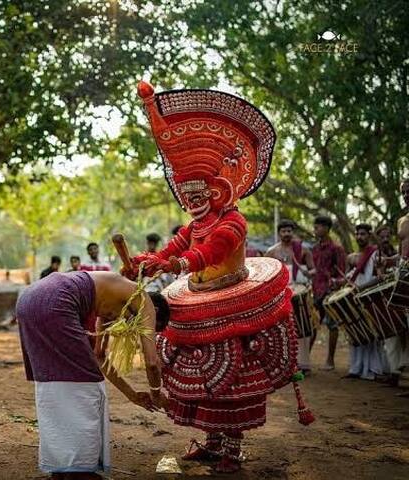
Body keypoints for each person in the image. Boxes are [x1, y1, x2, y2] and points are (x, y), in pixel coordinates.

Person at [128, 81, 310, 473]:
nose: (191, 202)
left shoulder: (233, 222)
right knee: (196, 372)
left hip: (233, 299)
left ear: (216, 191)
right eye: (186, 196)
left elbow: (208, 253)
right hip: (197, 297)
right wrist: (150, 261)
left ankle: (232, 447)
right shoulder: (193, 224)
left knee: (234, 376)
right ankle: (211, 442)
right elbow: (175, 247)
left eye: (198, 195)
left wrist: (173, 266)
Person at [17, 270, 167, 479]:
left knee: (54, 380)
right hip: (57, 300)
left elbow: (98, 357)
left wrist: (132, 394)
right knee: (86, 387)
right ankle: (79, 470)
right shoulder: (142, 300)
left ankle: (62, 467)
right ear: (155, 311)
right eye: (152, 327)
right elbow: (152, 362)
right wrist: (157, 393)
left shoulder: (107, 299)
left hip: (29, 299)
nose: (137, 330)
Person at [265, 219, 316, 373]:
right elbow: (267, 275)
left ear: (293, 233)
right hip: (280, 295)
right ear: (279, 233)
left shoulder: (303, 250)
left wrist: (308, 272)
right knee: (282, 330)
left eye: (289, 231)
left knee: (302, 328)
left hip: (298, 294)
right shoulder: (271, 252)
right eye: (284, 231)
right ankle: (282, 364)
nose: (287, 234)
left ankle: (303, 364)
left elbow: (313, 270)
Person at [344, 224, 386, 380]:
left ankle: (373, 369)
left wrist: (360, 288)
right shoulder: (352, 256)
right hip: (355, 298)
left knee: (371, 333)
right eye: (357, 234)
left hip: (369, 298)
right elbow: (347, 278)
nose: (359, 237)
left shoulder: (375, 254)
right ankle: (356, 368)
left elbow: (378, 278)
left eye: (362, 234)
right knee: (356, 331)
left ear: (369, 235)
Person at [382, 179, 409, 390]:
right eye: (403, 192)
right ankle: (397, 371)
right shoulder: (402, 220)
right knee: (399, 324)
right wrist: (391, 263)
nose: (406, 195)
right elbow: (403, 251)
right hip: (403, 274)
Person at [310, 215, 346, 371]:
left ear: (326, 228)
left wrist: (335, 284)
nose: (315, 229)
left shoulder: (337, 248)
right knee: (312, 325)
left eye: (317, 227)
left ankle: (330, 360)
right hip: (316, 290)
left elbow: (342, 273)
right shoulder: (314, 248)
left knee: (332, 325)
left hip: (330, 292)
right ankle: (305, 360)